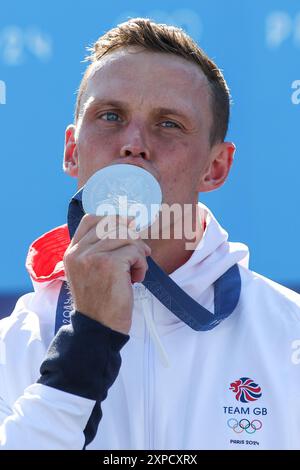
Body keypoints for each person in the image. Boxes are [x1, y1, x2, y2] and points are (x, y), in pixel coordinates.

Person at [0, 17, 300, 451]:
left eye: (169, 124)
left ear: (215, 168)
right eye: (110, 116)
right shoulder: (12, 348)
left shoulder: (289, 334)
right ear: (71, 152)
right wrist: (85, 348)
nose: (134, 143)